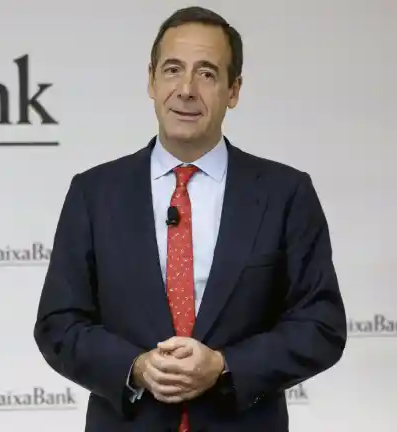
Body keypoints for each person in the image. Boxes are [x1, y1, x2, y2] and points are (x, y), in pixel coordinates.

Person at [33, 6, 347, 432]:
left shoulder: (285, 193)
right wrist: (135, 367)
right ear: (151, 80)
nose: (186, 89)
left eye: (207, 73)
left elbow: (321, 326)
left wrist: (224, 366)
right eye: (172, 70)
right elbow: (59, 324)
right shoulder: (93, 193)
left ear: (233, 90)